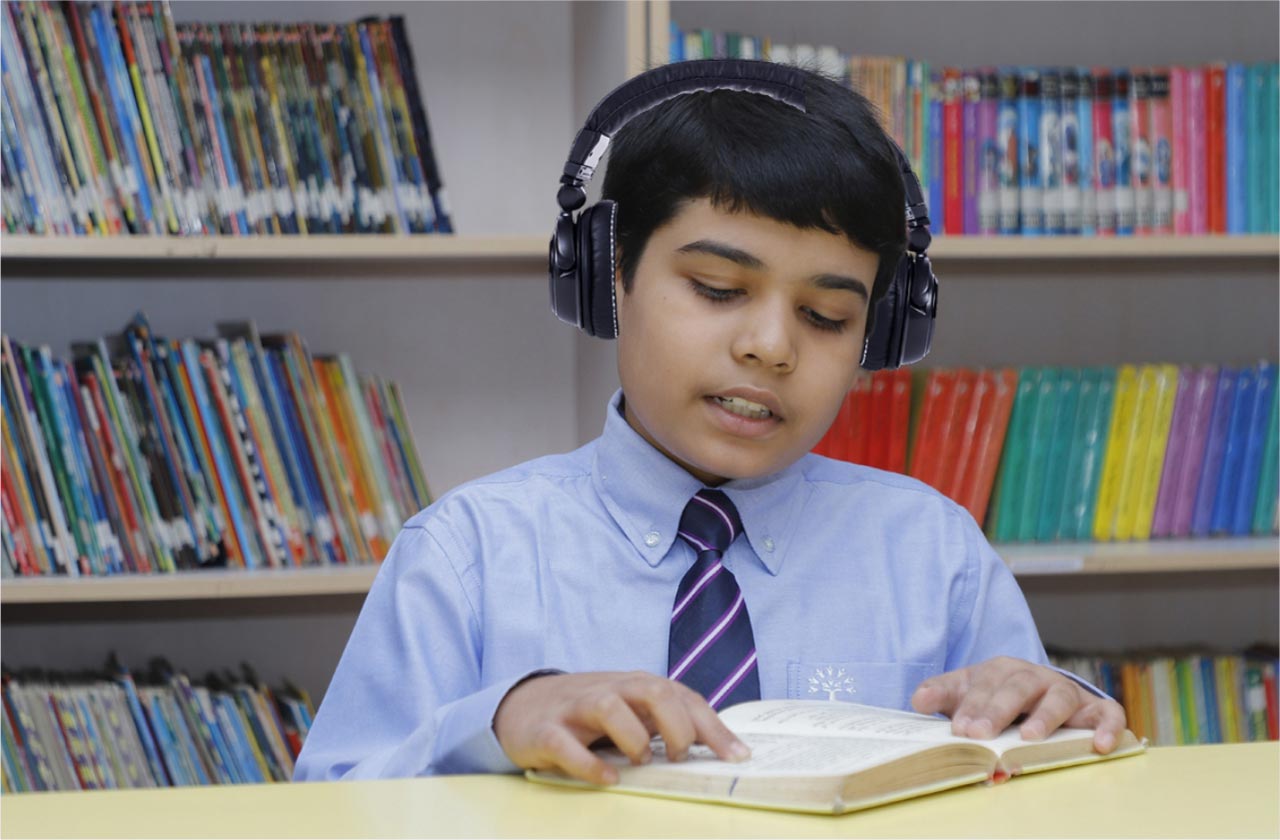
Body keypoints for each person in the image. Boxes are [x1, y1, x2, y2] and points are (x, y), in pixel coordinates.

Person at [294, 59, 1126, 785]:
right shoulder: (467, 557)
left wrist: (1060, 720)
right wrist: (498, 723)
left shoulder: (936, 557)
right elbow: (328, 805)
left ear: (880, 332)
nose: (770, 347)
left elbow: (1030, 776)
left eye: (827, 317)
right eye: (719, 291)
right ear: (606, 275)